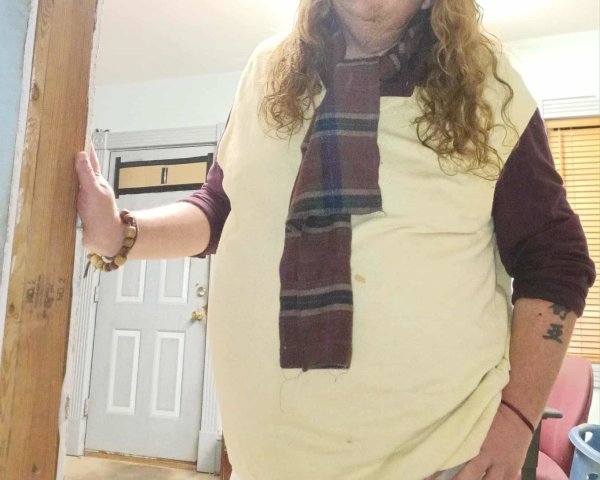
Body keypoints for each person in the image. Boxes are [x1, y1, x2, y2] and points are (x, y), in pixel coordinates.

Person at [75, 0, 596, 479]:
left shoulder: (489, 84)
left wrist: (516, 422)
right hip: (266, 458)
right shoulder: (265, 72)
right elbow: (221, 208)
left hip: (439, 461)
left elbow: (556, 260)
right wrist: (120, 233)